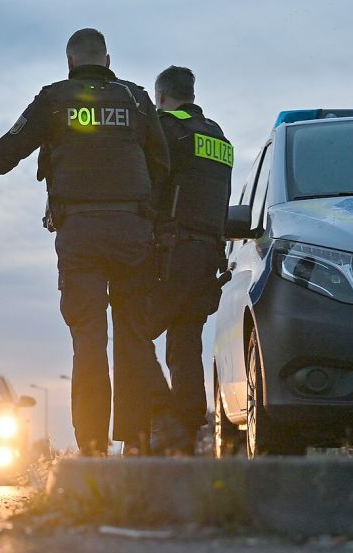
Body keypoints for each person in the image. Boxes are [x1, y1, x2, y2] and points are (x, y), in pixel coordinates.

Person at [0, 29, 169, 455]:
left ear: (70, 62)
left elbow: (6, 151)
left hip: (79, 235)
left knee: (88, 340)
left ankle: (91, 448)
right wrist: (148, 219)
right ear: (107, 61)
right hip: (133, 232)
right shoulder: (135, 99)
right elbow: (161, 162)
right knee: (134, 338)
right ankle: (138, 444)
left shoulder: (54, 99)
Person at [147, 66, 233, 455]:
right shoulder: (219, 136)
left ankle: (164, 418)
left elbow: (151, 189)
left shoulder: (166, 129)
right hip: (208, 258)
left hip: (172, 253)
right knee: (185, 345)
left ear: (161, 96)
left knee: (136, 331)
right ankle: (185, 432)